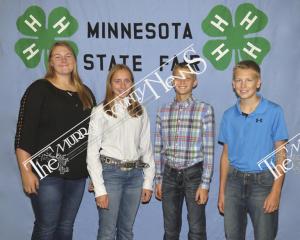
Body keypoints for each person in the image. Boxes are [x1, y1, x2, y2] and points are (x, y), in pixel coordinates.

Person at [15, 41, 96, 240]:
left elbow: (94, 137)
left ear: (75, 61)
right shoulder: (38, 89)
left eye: (68, 55)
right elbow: (23, 134)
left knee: (66, 227)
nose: (63, 60)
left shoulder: (86, 93)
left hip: (77, 175)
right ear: (50, 62)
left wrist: (95, 172)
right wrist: (26, 172)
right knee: (46, 227)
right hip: (45, 172)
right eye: (57, 56)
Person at [218, 60, 288, 240]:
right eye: (239, 80)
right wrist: (222, 191)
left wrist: (276, 191)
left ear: (258, 82)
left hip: (263, 183)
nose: (243, 85)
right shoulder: (228, 115)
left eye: (248, 80)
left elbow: (281, 154)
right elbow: (225, 156)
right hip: (233, 183)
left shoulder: (274, 111)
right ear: (233, 84)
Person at [86, 64, 155, 240]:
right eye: (117, 81)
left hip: (135, 177)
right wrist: (100, 188)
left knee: (126, 230)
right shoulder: (100, 111)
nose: (122, 85)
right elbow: (92, 153)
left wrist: (148, 182)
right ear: (110, 83)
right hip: (110, 175)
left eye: (127, 81)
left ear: (132, 83)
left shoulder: (140, 111)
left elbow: (146, 149)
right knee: (107, 231)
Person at [155, 62, 215, 240]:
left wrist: (204, 184)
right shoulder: (162, 111)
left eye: (187, 77)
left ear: (194, 82)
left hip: (194, 174)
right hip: (169, 176)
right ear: (172, 81)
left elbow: (209, 150)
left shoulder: (204, 110)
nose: (182, 81)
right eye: (177, 77)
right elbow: (158, 148)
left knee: (196, 229)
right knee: (170, 230)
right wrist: (159, 179)